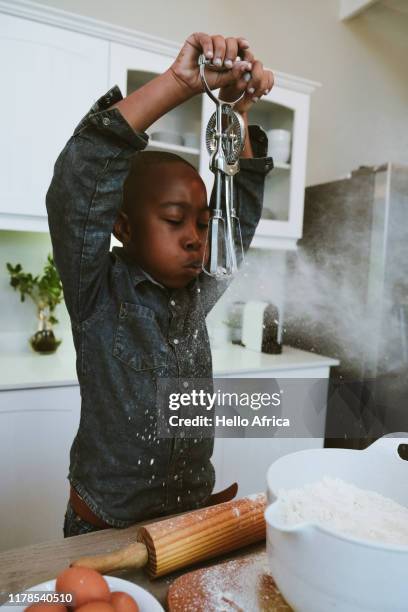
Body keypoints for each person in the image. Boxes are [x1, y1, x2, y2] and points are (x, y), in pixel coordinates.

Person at [46, 32, 274, 537]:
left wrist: (239, 109)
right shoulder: (97, 293)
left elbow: (237, 222)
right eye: (175, 219)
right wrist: (177, 84)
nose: (196, 239)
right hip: (106, 526)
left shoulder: (198, 291)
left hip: (189, 523)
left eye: (201, 221)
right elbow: (78, 181)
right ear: (122, 227)